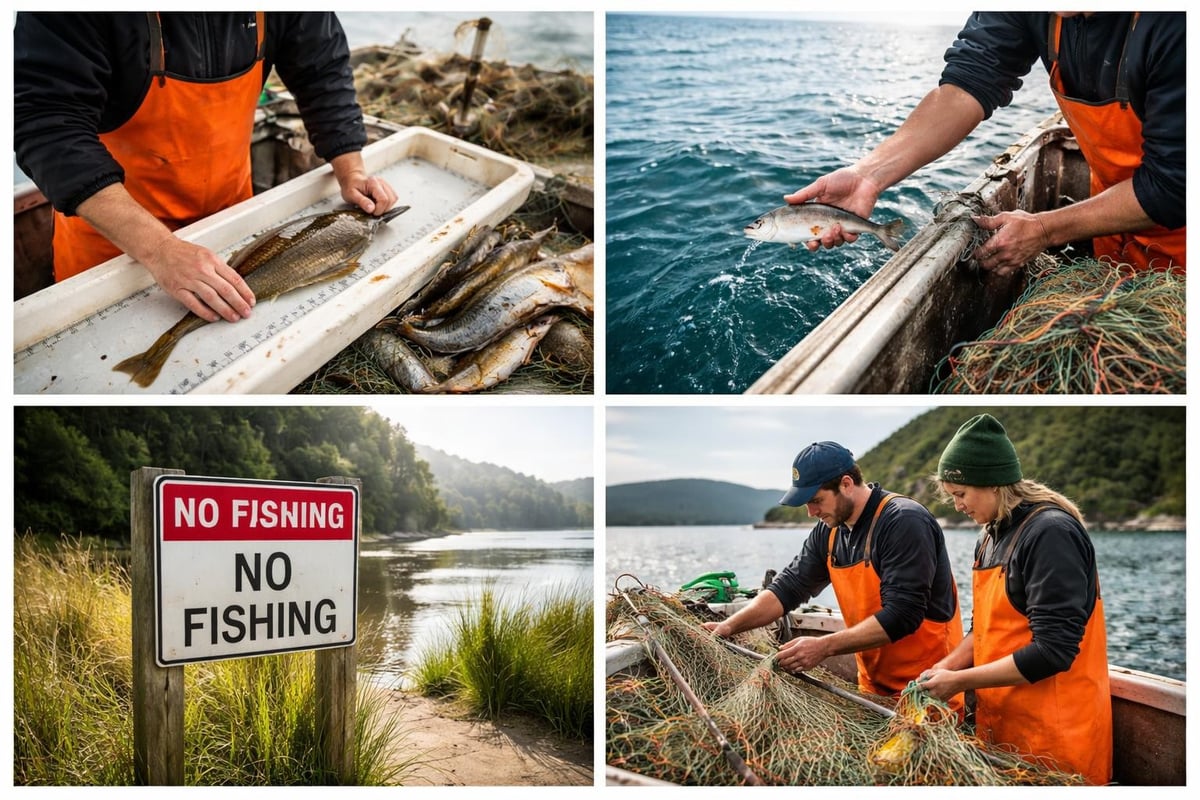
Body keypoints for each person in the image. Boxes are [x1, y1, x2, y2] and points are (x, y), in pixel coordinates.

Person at [14, 12, 400, 324]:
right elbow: (47, 124)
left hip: (233, 226)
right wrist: (159, 249)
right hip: (112, 245)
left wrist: (352, 171)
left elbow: (323, 72)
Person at [787, 12, 1184, 273]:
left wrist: (1045, 230)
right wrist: (868, 176)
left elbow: (1174, 187)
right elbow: (968, 84)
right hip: (1112, 210)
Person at [918, 414, 1111, 785]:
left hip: (1057, 741)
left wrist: (958, 683)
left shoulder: (1050, 533)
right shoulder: (989, 536)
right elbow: (986, 632)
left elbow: (1054, 651)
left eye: (961, 494)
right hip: (1003, 734)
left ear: (991, 482)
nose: (957, 505)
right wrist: (943, 668)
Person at [704, 441, 963, 704]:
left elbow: (903, 614)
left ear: (847, 484)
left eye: (816, 500)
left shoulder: (903, 521)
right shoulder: (829, 531)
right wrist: (727, 626)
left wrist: (824, 647)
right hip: (873, 689)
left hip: (931, 689)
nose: (811, 512)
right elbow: (788, 588)